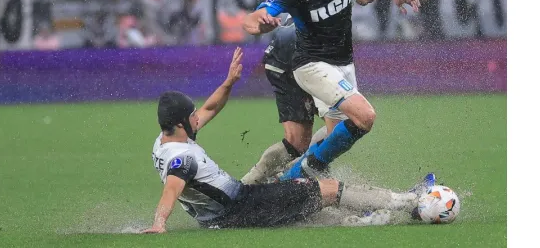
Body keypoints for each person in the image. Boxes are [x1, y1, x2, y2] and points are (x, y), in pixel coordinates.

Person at [142, 48, 426, 232]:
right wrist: (159, 223)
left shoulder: (166, 138)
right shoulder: (181, 159)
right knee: (327, 189)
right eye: (193, 116)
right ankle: (408, 202)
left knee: (301, 203)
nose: (198, 118)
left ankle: (365, 215)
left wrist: (229, 82)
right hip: (240, 210)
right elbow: (172, 187)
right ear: (180, 124)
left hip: (230, 209)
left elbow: (210, 108)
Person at [242, 0, 426, 181]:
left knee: (335, 135)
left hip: (342, 63)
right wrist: (262, 26)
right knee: (364, 116)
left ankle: (290, 178)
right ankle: (290, 179)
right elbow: (252, 20)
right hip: (310, 63)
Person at [241, 0, 383, 184]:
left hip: (297, 55)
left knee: (308, 139)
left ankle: (288, 177)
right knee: (305, 139)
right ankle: (253, 187)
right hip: (289, 58)